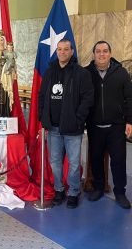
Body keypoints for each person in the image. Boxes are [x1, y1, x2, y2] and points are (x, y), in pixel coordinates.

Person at [38, 39, 94, 209]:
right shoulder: (49, 72)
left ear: (71, 52)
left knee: (75, 163)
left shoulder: (81, 73)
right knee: (55, 162)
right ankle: (59, 190)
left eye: (66, 49)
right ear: (57, 52)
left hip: (73, 129)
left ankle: (73, 192)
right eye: (59, 49)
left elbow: (87, 99)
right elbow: (42, 97)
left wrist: (78, 119)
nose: (62, 52)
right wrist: (43, 118)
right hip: (53, 128)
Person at [86, 41, 132, 209]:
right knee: (96, 159)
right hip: (94, 126)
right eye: (98, 51)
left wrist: (130, 121)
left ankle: (120, 192)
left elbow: (130, 98)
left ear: (110, 53)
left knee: (119, 161)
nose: (102, 54)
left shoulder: (121, 72)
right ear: (93, 54)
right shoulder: (86, 73)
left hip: (116, 127)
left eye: (105, 51)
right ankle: (99, 187)